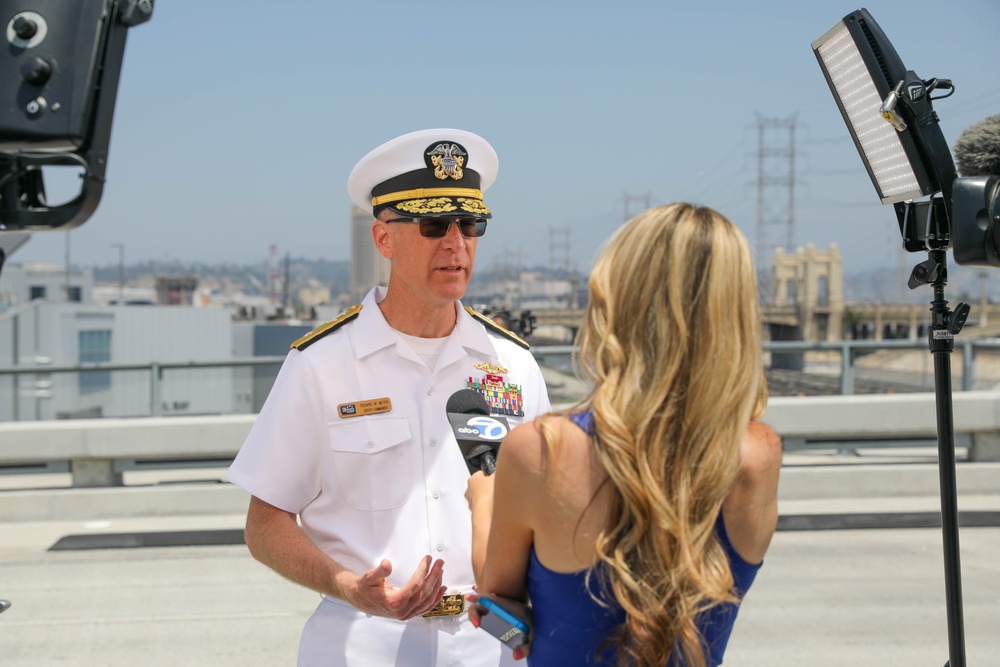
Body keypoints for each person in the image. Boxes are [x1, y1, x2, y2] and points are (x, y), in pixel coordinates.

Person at [225, 128, 551, 667]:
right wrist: (351, 586)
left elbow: (547, 511)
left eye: (470, 225)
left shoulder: (513, 365)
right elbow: (265, 524)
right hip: (361, 643)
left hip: (491, 643)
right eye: (433, 225)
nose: (456, 243)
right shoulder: (321, 365)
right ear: (384, 239)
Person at [466, 203, 782, 666]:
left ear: (615, 303)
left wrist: (483, 500)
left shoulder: (541, 450)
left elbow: (496, 611)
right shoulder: (759, 456)